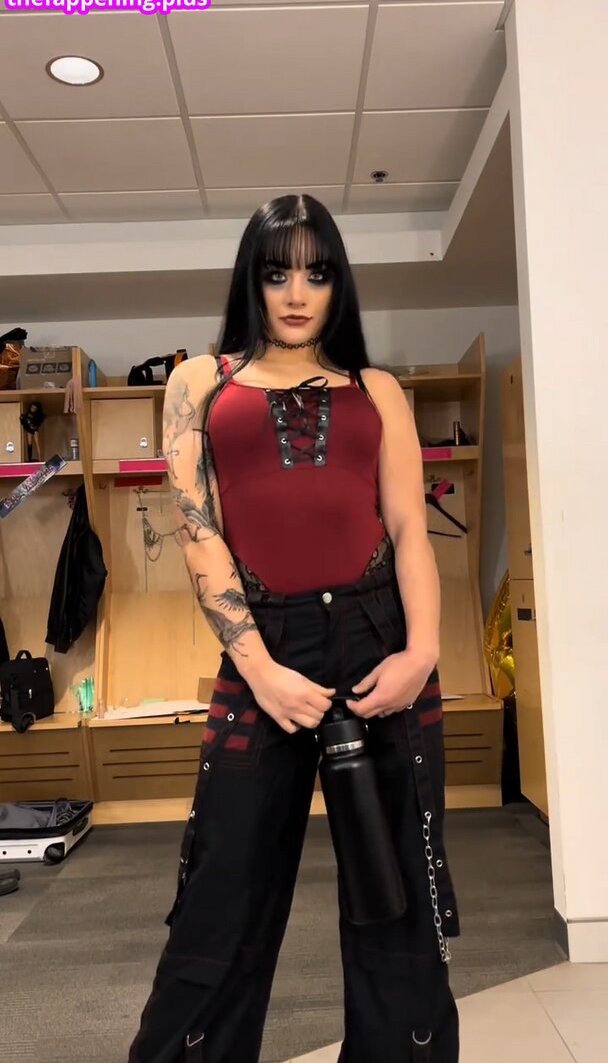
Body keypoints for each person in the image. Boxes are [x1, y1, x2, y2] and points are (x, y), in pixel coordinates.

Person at [128, 194, 460, 1063]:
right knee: (224, 887)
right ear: (253, 280)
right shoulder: (201, 382)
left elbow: (410, 530)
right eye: (277, 273)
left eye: (317, 273)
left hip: (379, 641)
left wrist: (422, 653)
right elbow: (198, 533)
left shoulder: (377, 390)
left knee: (398, 888)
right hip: (263, 649)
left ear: (339, 283)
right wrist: (259, 667)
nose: (297, 293)